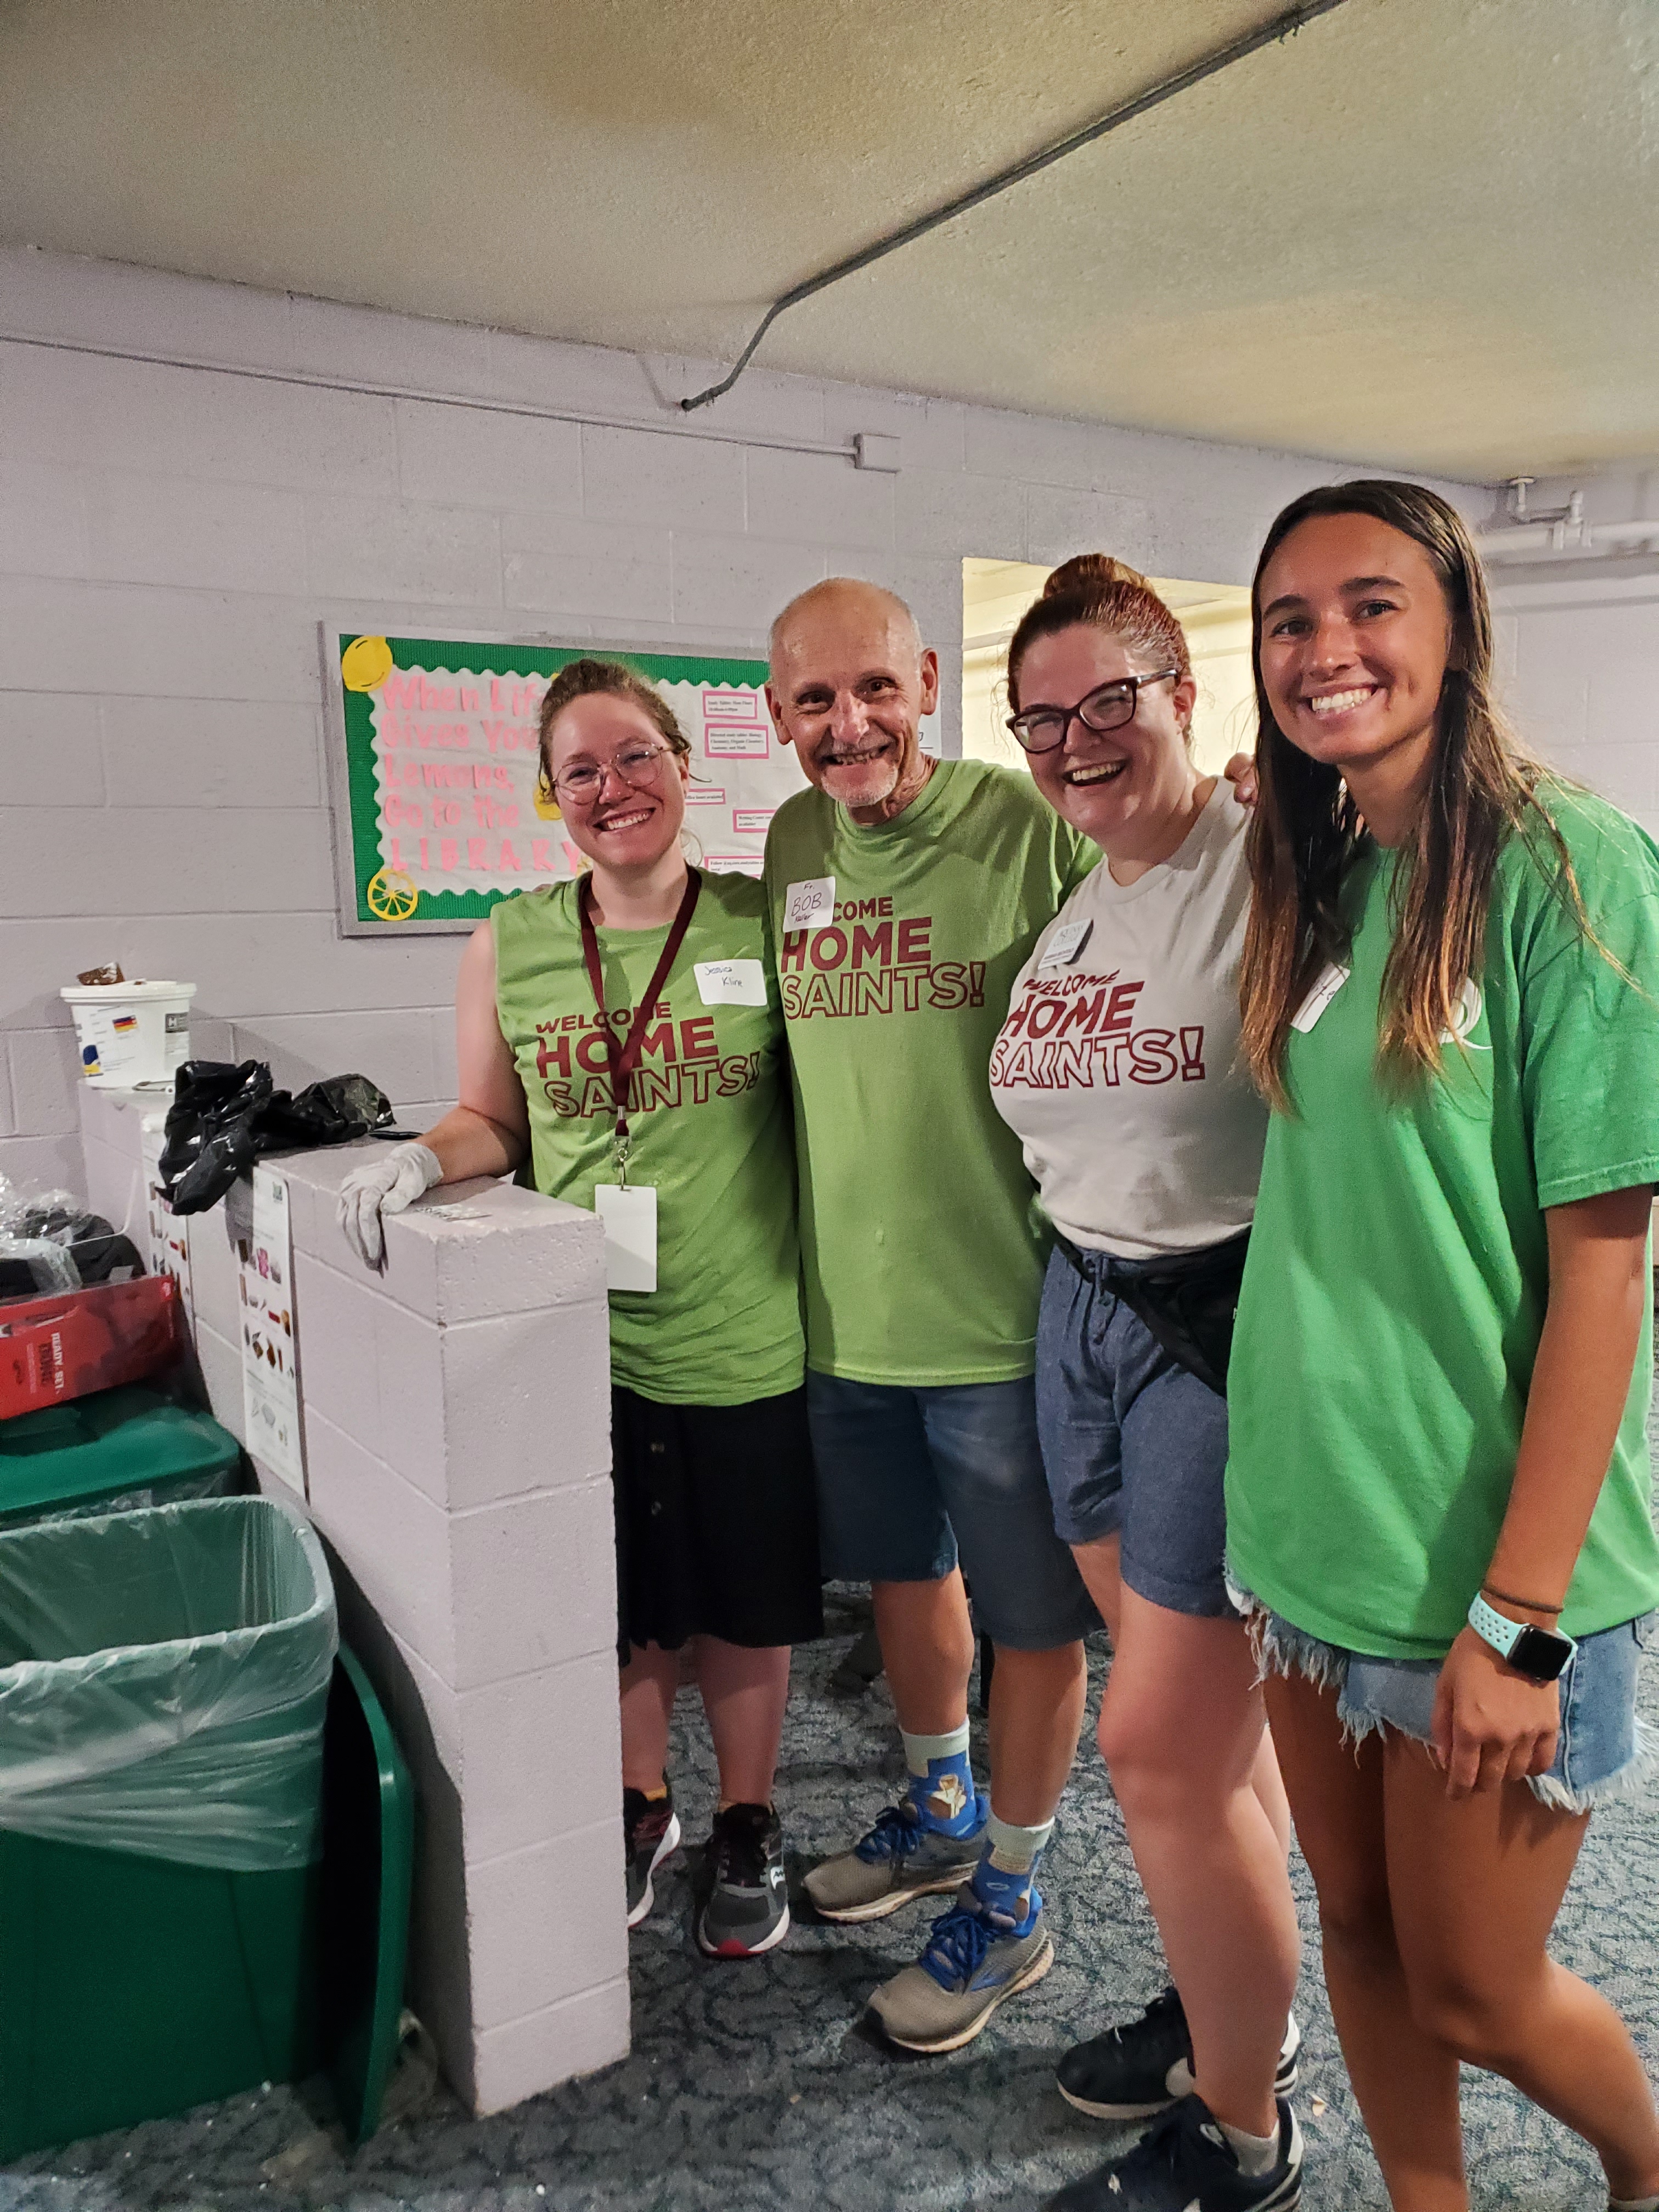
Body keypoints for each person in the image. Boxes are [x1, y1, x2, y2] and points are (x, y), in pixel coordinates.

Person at [1226, 479, 1659, 2212]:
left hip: (1496, 1568)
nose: (1328, 648)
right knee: (1357, 1922)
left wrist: (1522, 1619)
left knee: (1478, 1983)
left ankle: (1644, 2168)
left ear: (1459, 620)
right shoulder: (1321, 873)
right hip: (1310, 1529)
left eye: (1371, 604)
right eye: (1289, 620)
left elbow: (1610, 1275)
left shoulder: (1571, 866)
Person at [336, 656, 821, 1961]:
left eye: (636, 757)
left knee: (742, 1602)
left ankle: (751, 1821)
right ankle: (639, 1802)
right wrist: (418, 1160)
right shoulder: (514, 938)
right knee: (617, 1598)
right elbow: (494, 1117)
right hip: (576, 1341)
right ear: (551, 799)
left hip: (742, 1332)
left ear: (682, 764)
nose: (615, 789)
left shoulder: (756, 919)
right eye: (582, 772)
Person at [983, 556, 1302, 2212]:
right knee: (1209, 1746)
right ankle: (1234, 2005)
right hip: (1080, 1315)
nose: (1076, 739)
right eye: (1043, 716)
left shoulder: (1279, 867)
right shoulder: (1082, 894)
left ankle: (1245, 2135)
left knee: (1160, 1753)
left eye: (1111, 699)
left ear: (1184, 692)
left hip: (1218, 1329)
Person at [761, 577, 1100, 2052]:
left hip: (1003, 1319)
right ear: (778, 720)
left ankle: (1014, 1900)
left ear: (929, 687)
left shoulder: (1024, 826)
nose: (851, 728)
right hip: (847, 1323)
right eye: (815, 703)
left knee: (1035, 1627)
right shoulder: (786, 845)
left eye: (876, 690)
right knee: (905, 1581)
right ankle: (943, 1805)